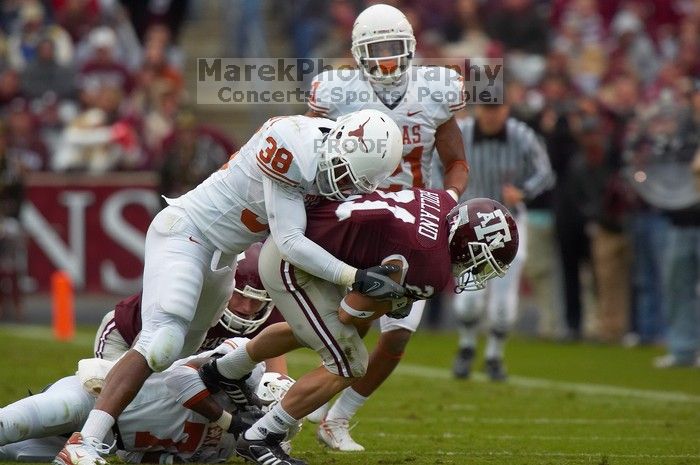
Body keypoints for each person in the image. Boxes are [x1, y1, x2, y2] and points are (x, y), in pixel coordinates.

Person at [54, 109, 405, 465]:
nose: (339, 184)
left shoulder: (342, 170)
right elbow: (290, 241)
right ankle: (84, 440)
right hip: (187, 232)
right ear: (338, 140)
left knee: (179, 357)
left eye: (352, 181)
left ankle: (125, 425)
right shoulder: (292, 140)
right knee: (162, 341)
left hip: (224, 259)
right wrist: (354, 277)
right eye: (342, 170)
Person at [199, 190, 519, 465]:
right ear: (466, 242)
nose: (477, 270)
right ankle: (262, 435)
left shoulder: (440, 199)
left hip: (303, 240)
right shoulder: (432, 267)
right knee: (350, 362)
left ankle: (223, 371)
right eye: (483, 258)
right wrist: (392, 300)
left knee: (310, 329)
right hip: (296, 258)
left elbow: (454, 180)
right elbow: (351, 311)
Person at [305, 3, 470, 450]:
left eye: (394, 48)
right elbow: (309, 156)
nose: (386, 60)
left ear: (411, 48)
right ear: (358, 52)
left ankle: (337, 419)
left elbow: (456, 161)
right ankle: (282, 395)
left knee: (395, 339)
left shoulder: (437, 88)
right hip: (356, 221)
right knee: (345, 327)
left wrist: (447, 199)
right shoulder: (337, 91)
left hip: (414, 224)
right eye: (376, 50)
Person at [0, 338, 295, 463]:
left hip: (108, 441)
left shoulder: (221, 451)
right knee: (10, 425)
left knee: (14, 453)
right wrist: (229, 420)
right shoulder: (248, 367)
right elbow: (180, 378)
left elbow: (138, 454)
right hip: (92, 396)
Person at [449, 101, 553, 381]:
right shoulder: (462, 132)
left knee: (504, 301)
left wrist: (524, 191)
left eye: (496, 108)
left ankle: (495, 353)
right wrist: (448, 197)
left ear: (506, 109)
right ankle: (467, 345)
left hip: (509, 222)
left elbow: (545, 172)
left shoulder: (521, 134)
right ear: (477, 109)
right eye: (486, 108)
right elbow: (438, 165)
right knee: (468, 298)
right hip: (470, 224)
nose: (491, 114)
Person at [94, 242, 288, 373]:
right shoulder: (195, 296)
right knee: (128, 403)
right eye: (239, 295)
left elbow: (276, 374)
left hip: (184, 361)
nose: (247, 307)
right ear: (225, 286)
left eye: (257, 300)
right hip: (128, 339)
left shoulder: (265, 316)